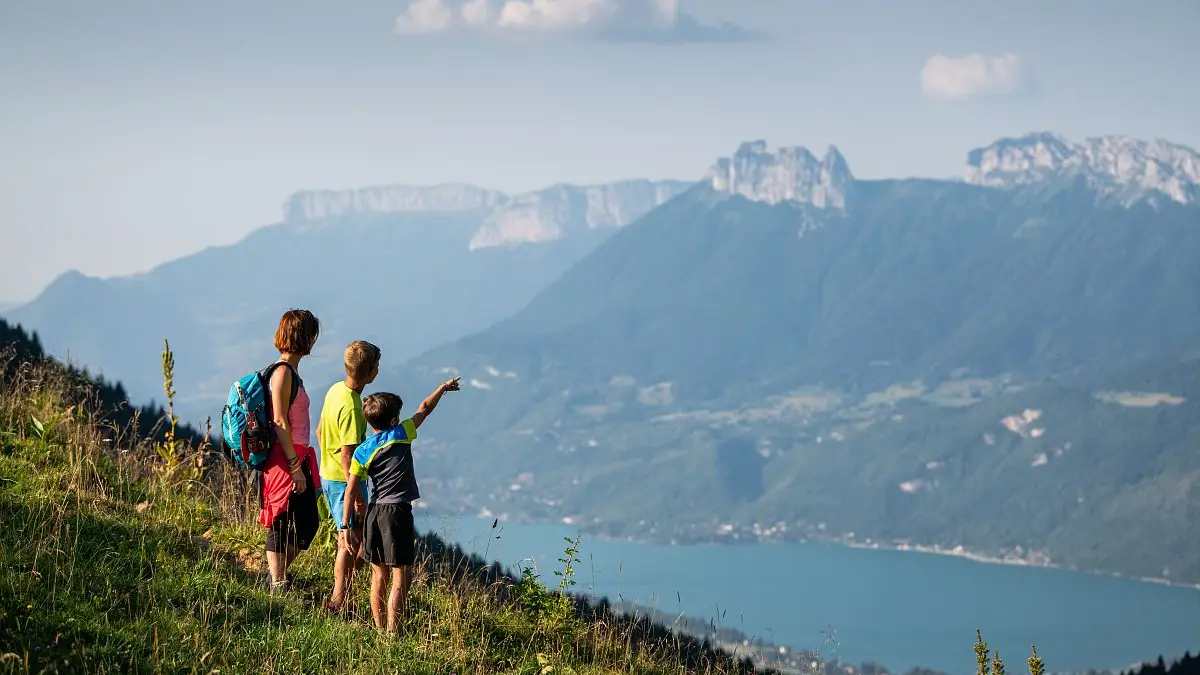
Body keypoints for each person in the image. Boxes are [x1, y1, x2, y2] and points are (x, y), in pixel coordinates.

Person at [342, 377, 461, 633]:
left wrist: (345, 524)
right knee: (400, 578)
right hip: (397, 513)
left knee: (378, 576)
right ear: (393, 420)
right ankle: (394, 633)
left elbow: (351, 489)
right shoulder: (401, 433)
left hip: (374, 512)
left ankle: (379, 629)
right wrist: (441, 388)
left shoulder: (362, 451)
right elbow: (425, 409)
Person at [257, 308, 322, 594]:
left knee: (306, 523)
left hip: (295, 455)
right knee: (282, 521)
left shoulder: (292, 372)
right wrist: (295, 467)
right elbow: (280, 420)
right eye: (312, 334)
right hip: (285, 458)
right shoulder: (283, 372)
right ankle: (277, 583)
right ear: (303, 336)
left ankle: (276, 578)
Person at [317, 340, 381, 612]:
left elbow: (320, 431)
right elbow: (348, 456)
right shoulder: (355, 409)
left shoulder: (335, 391)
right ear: (372, 374)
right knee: (351, 540)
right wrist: (356, 499)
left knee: (350, 539)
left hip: (328, 476)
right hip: (347, 482)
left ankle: (342, 597)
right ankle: (339, 600)